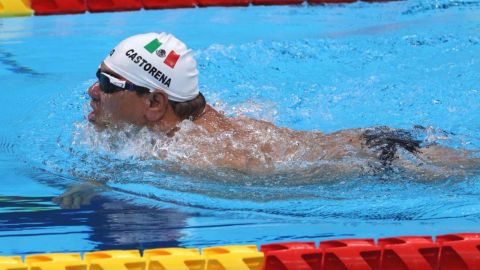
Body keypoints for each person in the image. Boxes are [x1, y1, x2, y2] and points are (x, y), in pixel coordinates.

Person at [87, 32, 478, 180]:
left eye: (109, 83)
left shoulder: (190, 157)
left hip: (386, 162)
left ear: (155, 103)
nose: (93, 90)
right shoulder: (195, 116)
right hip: (369, 143)